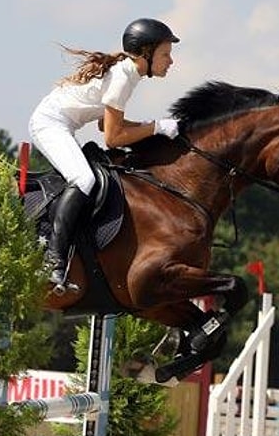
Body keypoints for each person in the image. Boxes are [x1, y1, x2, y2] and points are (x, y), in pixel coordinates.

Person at [29, 18, 180, 288]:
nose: (171, 61)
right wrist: (155, 127)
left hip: (61, 125)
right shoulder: (123, 77)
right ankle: (53, 260)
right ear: (146, 53)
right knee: (84, 180)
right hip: (49, 124)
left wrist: (155, 128)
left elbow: (106, 125)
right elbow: (113, 138)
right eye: (165, 54)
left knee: (86, 178)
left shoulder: (128, 74)